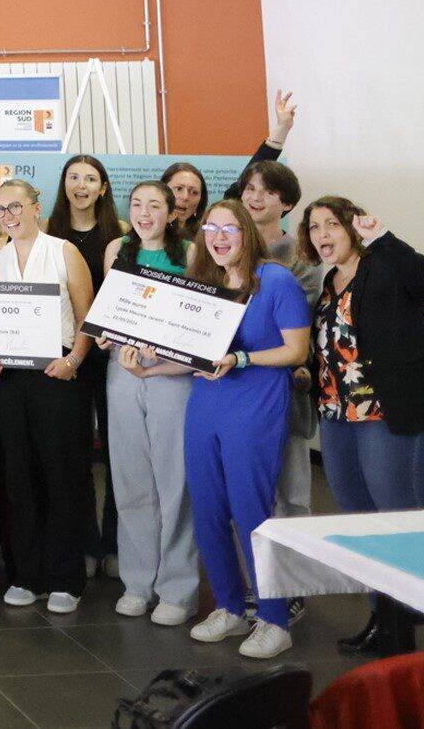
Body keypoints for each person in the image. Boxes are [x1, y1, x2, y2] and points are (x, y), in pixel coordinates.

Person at [300, 197, 424, 655]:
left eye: (331, 224)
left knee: (401, 518)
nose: (322, 234)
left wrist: (383, 238)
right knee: (361, 519)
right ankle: (386, 620)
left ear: (352, 228)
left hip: (388, 412)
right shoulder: (327, 284)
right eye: (313, 227)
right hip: (338, 414)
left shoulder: (382, 266)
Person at [182, 200, 311, 659]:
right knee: (209, 509)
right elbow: (189, 351)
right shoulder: (204, 283)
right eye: (210, 228)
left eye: (229, 228)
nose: (218, 236)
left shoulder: (276, 281)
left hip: (255, 404)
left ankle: (274, 619)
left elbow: (296, 350)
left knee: (251, 510)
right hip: (205, 406)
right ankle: (231, 607)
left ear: (247, 234)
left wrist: (243, 358)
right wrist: (142, 360)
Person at [0, 178, 96, 614]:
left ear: (35, 207)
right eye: (1, 211)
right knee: (18, 477)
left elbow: (87, 316)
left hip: (57, 373)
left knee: (61, 475)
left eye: (14, 207)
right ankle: (25, 573)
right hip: (11, 380)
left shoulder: (63, 251)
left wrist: (75, 361)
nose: (7, 217)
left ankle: (66, 577)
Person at [99, 181, 199, 627]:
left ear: (172, 212)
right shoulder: (116, 249)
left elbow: (198, 317)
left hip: (170, 373)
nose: (144, 213)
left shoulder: (192, 253)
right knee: (130, 477)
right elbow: (111, 309)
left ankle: (178, 589)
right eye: (137, 205)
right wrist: (104, 334)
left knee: (174, 480)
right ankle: (138, 582)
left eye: (154, 206)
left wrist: (163, 353)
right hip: (122, 369)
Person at [46, 154, 125, 578]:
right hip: (68, 361)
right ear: (64, 185)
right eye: (73, 177)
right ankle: (84, 542)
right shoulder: (47, 235)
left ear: (103, 188)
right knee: (73, 454)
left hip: (114, 360)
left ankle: (114, 542)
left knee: (117, 454)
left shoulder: (122, 236)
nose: (81, 185)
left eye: (90, 178)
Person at [239, 159, 319, 520]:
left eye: (268, 192)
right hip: (236, 387)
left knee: (291, 497)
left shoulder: (301, 256)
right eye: (251, 189)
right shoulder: (224, 247)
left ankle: (294, 577)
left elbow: (295, 324)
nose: (256, 198)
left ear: (286, 204)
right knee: (247, 494)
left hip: (284, 386)